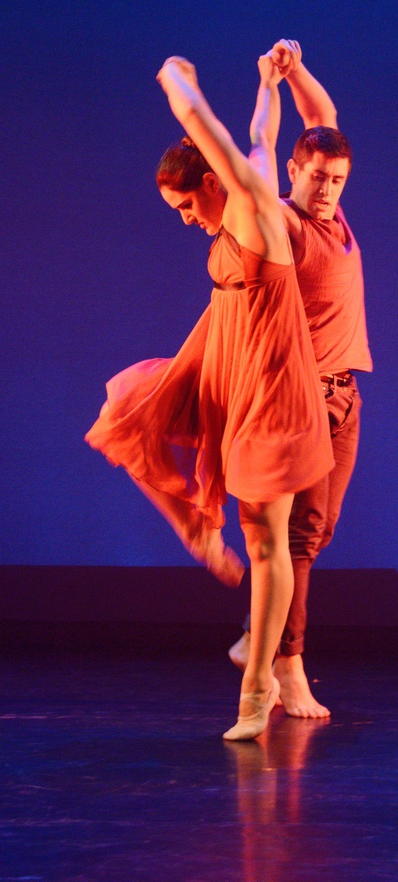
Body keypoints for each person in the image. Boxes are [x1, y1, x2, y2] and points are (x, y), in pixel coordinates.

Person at [85, 52, 333, 741]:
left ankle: (257, 687)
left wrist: (173, 74)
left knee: (265, 541)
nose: (187, 219)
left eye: (189, 205)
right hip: (220, 354)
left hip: (270, 380)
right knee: (124, 409)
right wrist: (266, 84)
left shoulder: (252, 207)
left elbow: (205, 123)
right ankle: (197, 528)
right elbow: (260, 132)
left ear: (212, 183)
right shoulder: (242, 190)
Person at [229, 41, 372, 719]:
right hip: (303, 398)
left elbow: (325, 117)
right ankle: (287, 666)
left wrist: (295, 71)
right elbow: (262, 143)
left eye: (337, 179)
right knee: (298, 543)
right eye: (317, 177)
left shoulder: (334, 216)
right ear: (295, 172)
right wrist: (266, 86)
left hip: (346, 396)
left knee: (317, 532)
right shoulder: (283, 221)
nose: (327, 188)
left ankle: (258, 635)